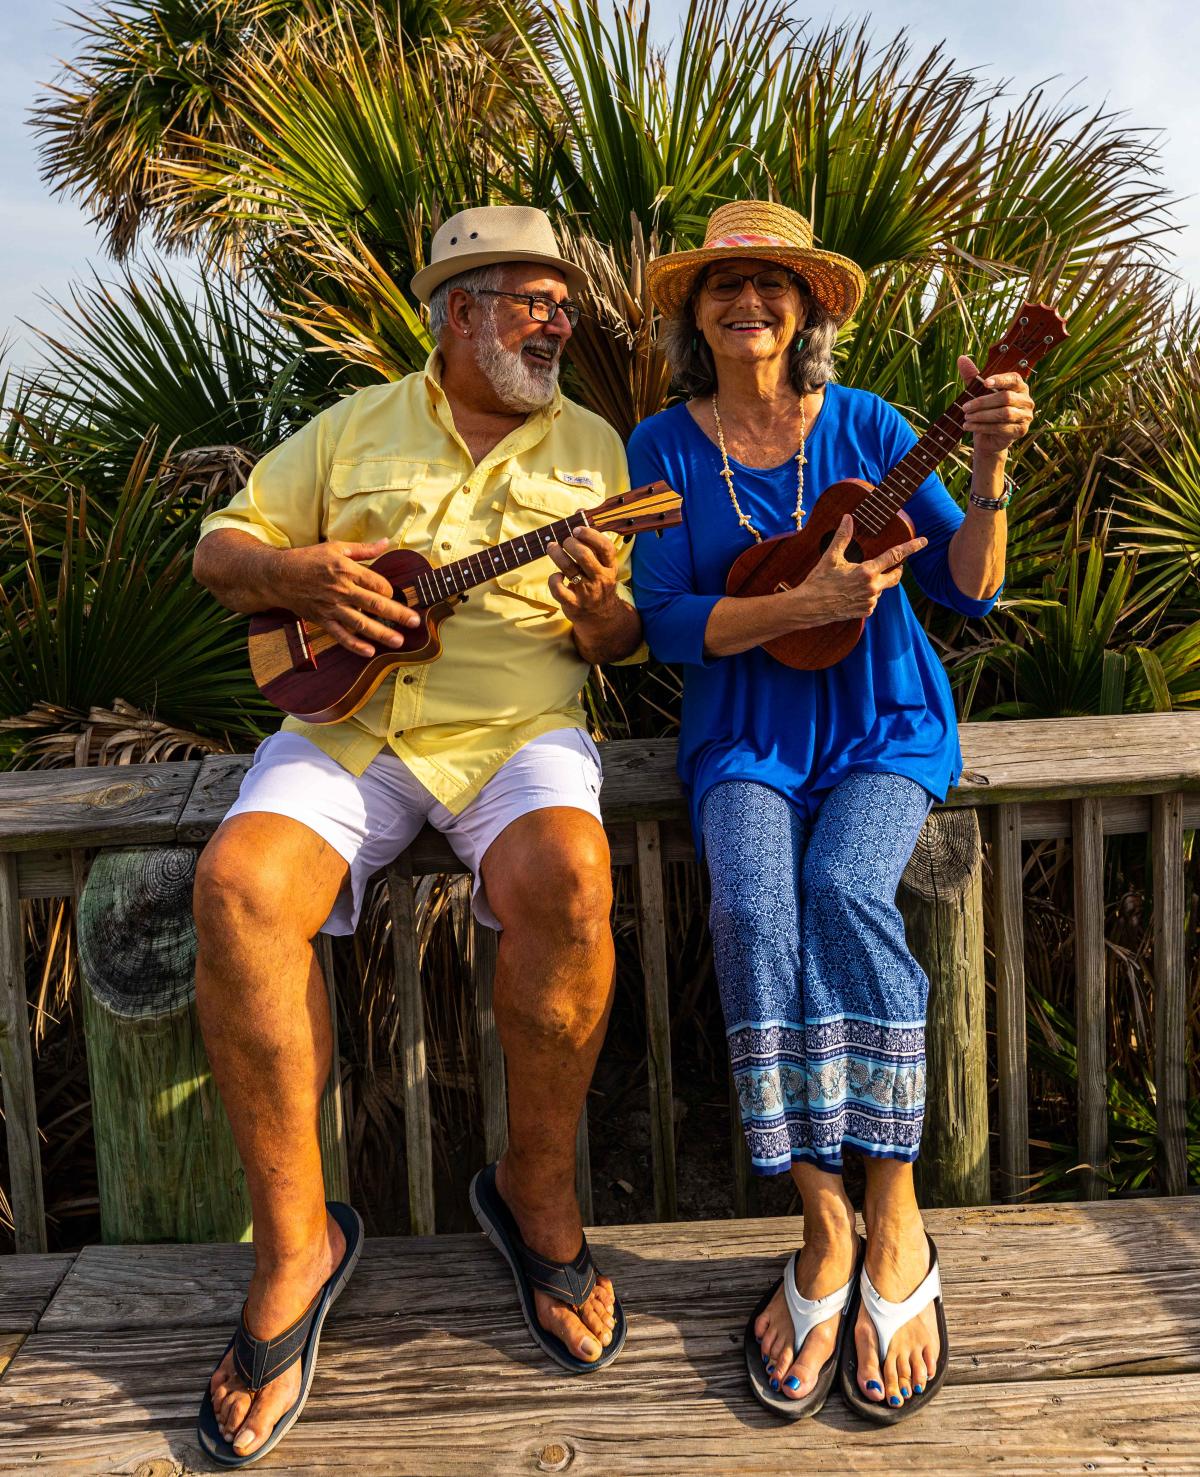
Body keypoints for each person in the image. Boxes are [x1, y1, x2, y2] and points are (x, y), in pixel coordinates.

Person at [190, 205, 641, 1466]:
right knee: (237, 889)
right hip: (350, 731)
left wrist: (603, 614)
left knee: (572, 872)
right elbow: (219, 549)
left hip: (518, 728)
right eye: (531, 299)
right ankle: (296, 1248)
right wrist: (299, 579)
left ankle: (535, 1197)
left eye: (563, 303)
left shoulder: (601, 447)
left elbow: (621, 642)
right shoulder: (352, 427)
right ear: (457, 312)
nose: (559, 319)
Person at [629, 200, 1034, 1423]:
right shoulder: (661, 444)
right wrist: (797, 600)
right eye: (722, 286)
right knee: (754, 901)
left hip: (880, 721)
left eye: (772, 285)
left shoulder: (869, 426)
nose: (746, 302)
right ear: (697, 314)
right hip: (746, 731)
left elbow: (973, 589)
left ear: (806, 308)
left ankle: (896, 1209)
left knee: (846, 887)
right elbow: (658, 619)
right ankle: (821, 1223)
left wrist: (988, 460)